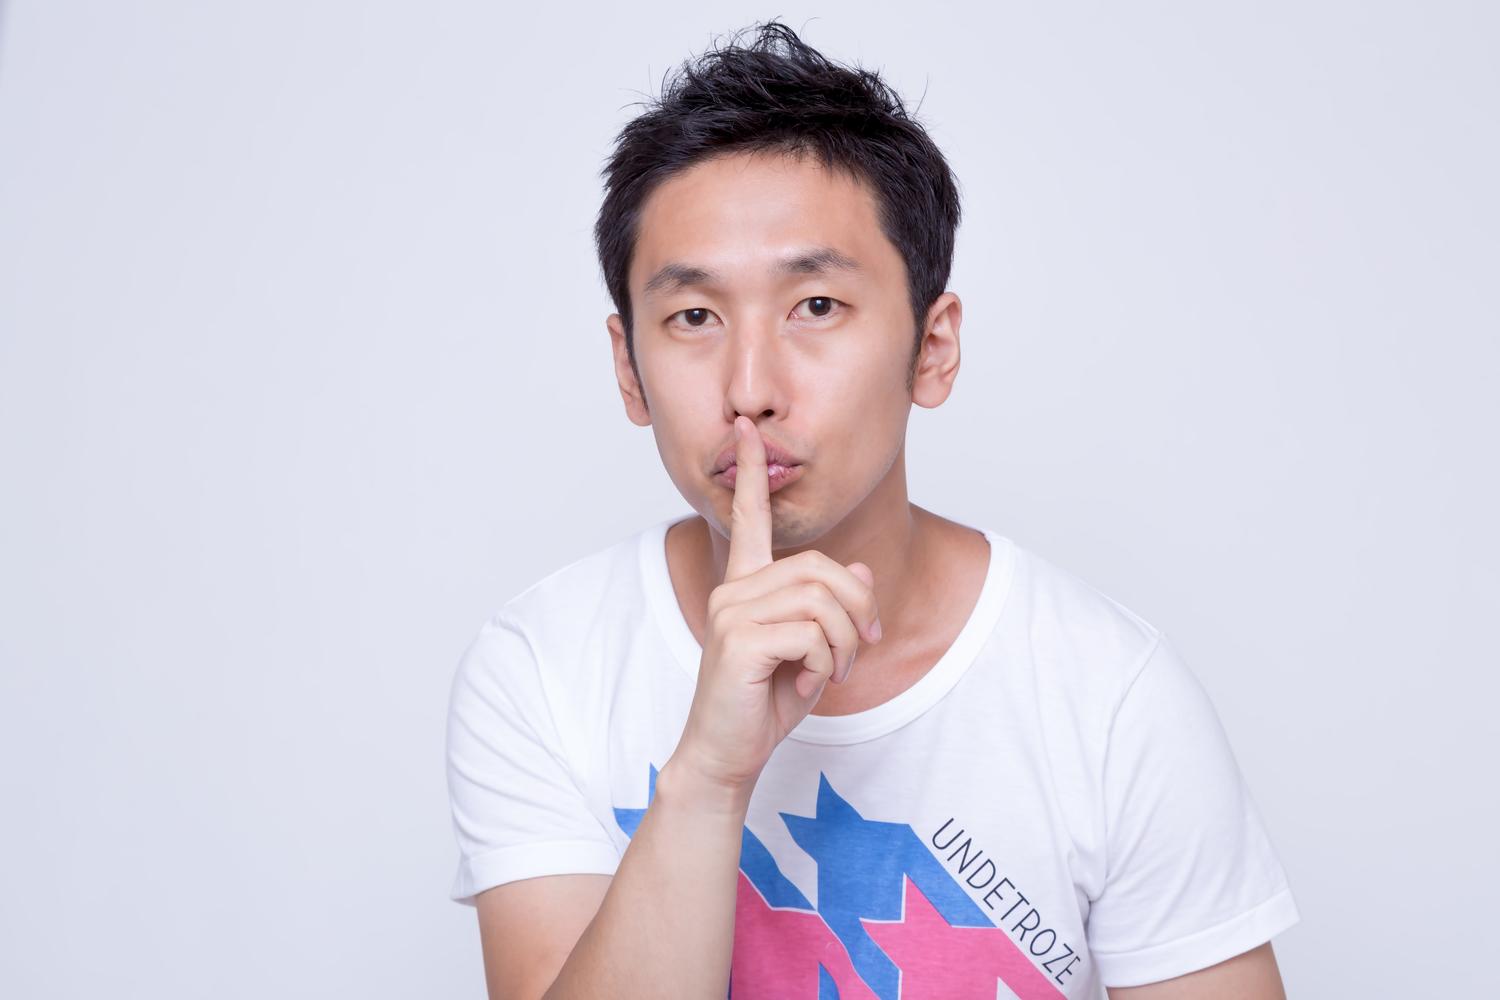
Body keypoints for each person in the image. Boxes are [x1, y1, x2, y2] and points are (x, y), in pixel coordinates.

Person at [444, 19, 1299, 1000]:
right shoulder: (544, 665)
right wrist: (710, 776)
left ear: (932, 349)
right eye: (694, 317)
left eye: (816, 306)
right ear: (628, 369)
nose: (750, 390)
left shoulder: (1111, 695)